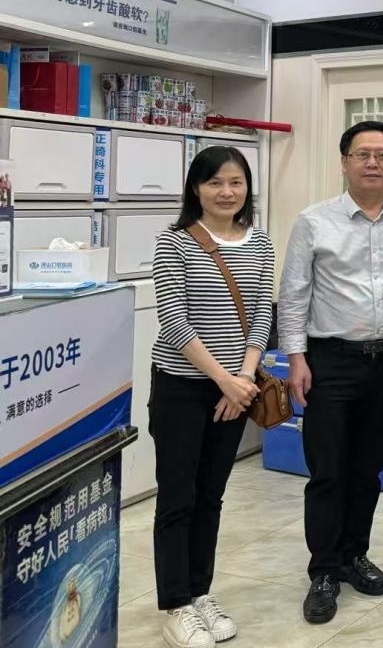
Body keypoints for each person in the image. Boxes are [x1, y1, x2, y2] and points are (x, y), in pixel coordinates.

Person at [278, 121, 383, 625]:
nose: (372, 163)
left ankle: (354, 554)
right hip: (330, 360)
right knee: (328, 470)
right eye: (362, 154)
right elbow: (294, 294)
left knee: (368, 468)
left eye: (382, 155)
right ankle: (323, 569)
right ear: (344, 162)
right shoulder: (314, 221)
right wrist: (296, 358)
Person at [151, 146, 274, 647]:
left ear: (247, 188)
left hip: (235, 389)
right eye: (215, 182)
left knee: (211, 495)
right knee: (177, 496)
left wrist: (242, 382)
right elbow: (173, 321)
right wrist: (225, 380)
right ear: (196, 189)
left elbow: (261, 315)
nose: (227, 192)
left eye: (236, 182)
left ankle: (200, 592)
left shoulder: (260, 242)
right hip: (182, 387)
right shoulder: (174, 242)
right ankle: (176, 604)